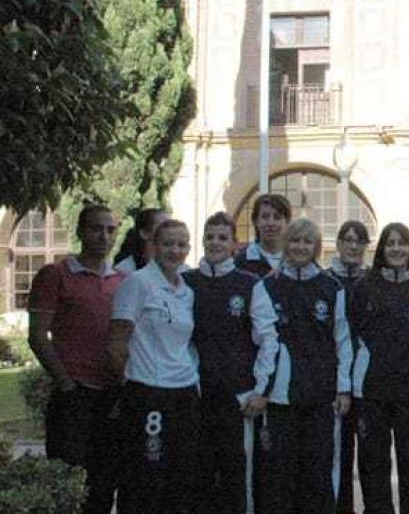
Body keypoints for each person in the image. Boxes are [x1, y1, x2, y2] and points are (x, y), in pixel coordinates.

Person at [252, 218, 353, 513]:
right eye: (295, 240)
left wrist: (343, 388)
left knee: (317, 475)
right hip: (280, 399)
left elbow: (342, 341)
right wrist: (262, 389)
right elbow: (264, 342)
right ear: (287, 244)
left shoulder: (332, 288)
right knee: (279, 476)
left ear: (316, 247)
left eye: (307, 242)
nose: (300, 247)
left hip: (321, 398)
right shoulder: (267, 286)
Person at [28, 204, 124, 514]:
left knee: (104, 484)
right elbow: (38, 336)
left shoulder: (122, 281)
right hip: (73, 396)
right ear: (81, 231)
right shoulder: (55, 275)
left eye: (110, 230)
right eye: (96, 228)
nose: (104, 236)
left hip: (112, 397)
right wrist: (66, 384)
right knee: (68, 483)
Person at [181, 212, 279, 514]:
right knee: (197, 476)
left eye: (222, 238)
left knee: (237, 478)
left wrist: (261, 390)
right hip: (196, 397)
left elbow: (268, 339)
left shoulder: (249, 284)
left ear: (235, 244)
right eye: (210, 237)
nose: (215, 243)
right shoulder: (186, 282)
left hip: (238, 399)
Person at [107, 219, 199, 513]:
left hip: (184, 392)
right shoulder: (137, 283)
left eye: (181, 244)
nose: (175, 250)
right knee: (146, 475)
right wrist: (127, 387)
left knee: (180, 475)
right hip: (148, 392)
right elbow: (117, 343)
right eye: (168, 243)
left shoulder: (186, 290)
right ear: (154, 246)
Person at [346, 222, 409, 514]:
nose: (397, 249)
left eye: (402, 243)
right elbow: (350, 338)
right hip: (371, 391)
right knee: (373, 464)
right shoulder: (362, 288)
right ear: (382, 249)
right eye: (390, 243)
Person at [325, 220, 371, 514]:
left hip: (366, 379)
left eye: (359, 241)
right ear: (339, 244)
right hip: (335, 378)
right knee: (338, 453)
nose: (353, 246)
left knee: (370, 454)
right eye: (348, 240)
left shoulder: (372, 281)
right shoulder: (326, 281)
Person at [235, 193, 291, 277]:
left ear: (287, 222)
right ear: (255, 221)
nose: (271, 223)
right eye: (265, 217)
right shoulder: (240, 262)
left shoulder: (298, 259)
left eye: (277, 217)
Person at [113, 208, 167, 274]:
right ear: (144, 233)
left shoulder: (174, 267)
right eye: (164, 226)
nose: (170, 231)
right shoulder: (124, 270)